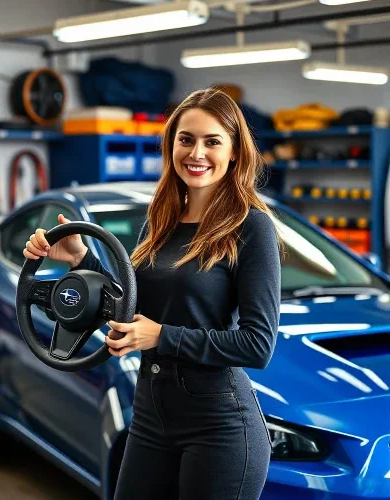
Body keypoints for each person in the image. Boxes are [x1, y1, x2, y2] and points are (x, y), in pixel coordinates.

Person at [23, 88, 282, 500]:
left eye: (212, 141)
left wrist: (163, 336)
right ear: (171, 145)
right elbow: (130, 311)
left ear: (234, 152)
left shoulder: (251, 227)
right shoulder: (159, 221)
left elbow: (257, 345)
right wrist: (80, 259)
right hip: (150, 414)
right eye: (186, 139)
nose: (197, 152)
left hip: (218, 424)